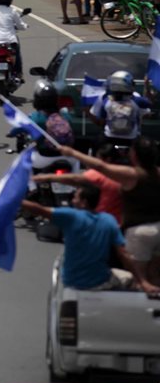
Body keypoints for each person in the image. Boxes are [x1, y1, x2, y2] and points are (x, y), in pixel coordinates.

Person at [21, 182, 159, 295]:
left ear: (84, 202)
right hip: (100, 281)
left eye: (75, 197)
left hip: (72, 281)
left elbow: (39, 209)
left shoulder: (71, 217)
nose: (73, 200)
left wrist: (16, 200)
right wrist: (143, 282)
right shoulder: (108, 221)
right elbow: (123, 254)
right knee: (129, 279)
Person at [59, 138, 160, 285]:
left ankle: (138, 307)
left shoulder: (131, 175)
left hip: (139, 232)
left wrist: (72, 152)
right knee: (155, 275)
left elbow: (100, 166)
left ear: (134, 155)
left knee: (139, 279)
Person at [88, 70, 143, 143]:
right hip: (132, 137)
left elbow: (101, 120)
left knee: (96, 144)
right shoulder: (136, 98)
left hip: (109, 136)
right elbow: (145, 113)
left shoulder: (105, 99)